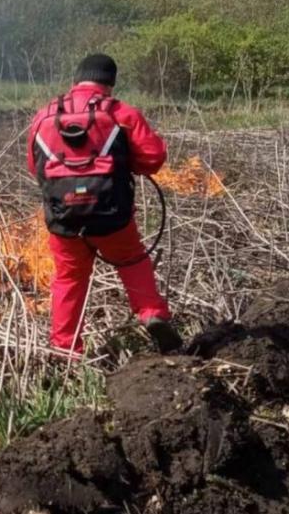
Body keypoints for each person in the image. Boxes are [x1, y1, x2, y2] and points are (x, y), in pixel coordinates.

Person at [26, 53, 182, 358]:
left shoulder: (44, 116)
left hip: (64, 221)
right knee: (132, 258)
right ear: (109, 82)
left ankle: (65, 349)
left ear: (76, 79)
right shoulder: (122, 113)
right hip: (113, 217)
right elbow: (153, 159)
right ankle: (152, 314)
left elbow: (36, 167)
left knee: (69, 278)